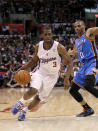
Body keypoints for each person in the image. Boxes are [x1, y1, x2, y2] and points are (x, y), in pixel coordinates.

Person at [11, 26, 73, 121]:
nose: (48, 36)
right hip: (40, 72)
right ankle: (20, 102)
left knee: (39, 99)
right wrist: (20, 69)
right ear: (42, 35)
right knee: (34, 90)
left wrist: (66, 78)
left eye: (50, 34)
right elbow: (33, 60)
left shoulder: (59, 47)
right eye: (46, 34)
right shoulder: (38, 46)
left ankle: (24, 111)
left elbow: (70, 62)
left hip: (52, 76)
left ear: (52, 35)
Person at [68, 20, 98, 117]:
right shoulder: (77, 41)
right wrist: (70, 53)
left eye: (79, 26)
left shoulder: (89, 32)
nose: (77, 28)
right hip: (84, 65)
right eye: (75, 26)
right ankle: (87, 109)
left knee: (88, 84)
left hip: (93, 61)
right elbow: (75, 51)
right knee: (72, 90)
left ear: (84, 26)